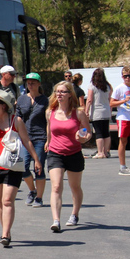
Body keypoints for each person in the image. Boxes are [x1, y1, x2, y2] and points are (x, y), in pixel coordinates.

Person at [0, 90, 42, 246]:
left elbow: (27, 141)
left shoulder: (16, 121)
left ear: (5, 105)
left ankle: (5, 234)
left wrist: (36, 159)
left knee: (7, 200)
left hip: (13, 166)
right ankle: (5, 231)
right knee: (0, 202)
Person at [45, 81, 92, 232]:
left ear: (70, 94)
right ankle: (56, 220)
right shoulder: (50, 112)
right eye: (57, 91)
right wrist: (48, 142)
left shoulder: (78, 113)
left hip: (74, 153)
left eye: (63, 92)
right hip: (55, 153)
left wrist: (83, 138)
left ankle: (74, 214)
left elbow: (88, 132)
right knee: (56, 186)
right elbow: (49, 129)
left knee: (75, 187)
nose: (59, 94)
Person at [15, 73, 49, 208]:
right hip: (25, 137)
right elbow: (17, 117)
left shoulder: (45, 100)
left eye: (33, 82)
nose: (30, 85)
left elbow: (49, 121)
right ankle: (32, 190)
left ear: (39, 84)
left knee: (39, 167)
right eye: (28, 82)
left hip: (40, 137)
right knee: (23, 167)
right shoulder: (22, 99)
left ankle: (39, 198)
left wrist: (48, 140)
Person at [110, 66, 130, 175]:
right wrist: (123, 100)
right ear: (122, 77)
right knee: (123, 141)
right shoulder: (119, 88)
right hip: (123, 118)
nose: (127, 78)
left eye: (129, 76)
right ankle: (122, 167)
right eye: (125, 76)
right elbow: (112, 103)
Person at [86, 68, 112, 159]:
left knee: (99, 133)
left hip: (96, 112)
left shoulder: (92, 86)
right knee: (106, 132)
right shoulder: (107, 86)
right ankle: (106, 151)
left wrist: (86, 110)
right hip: (106, 111)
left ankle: (100, 152)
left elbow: (89, 100)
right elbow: (109, 98)